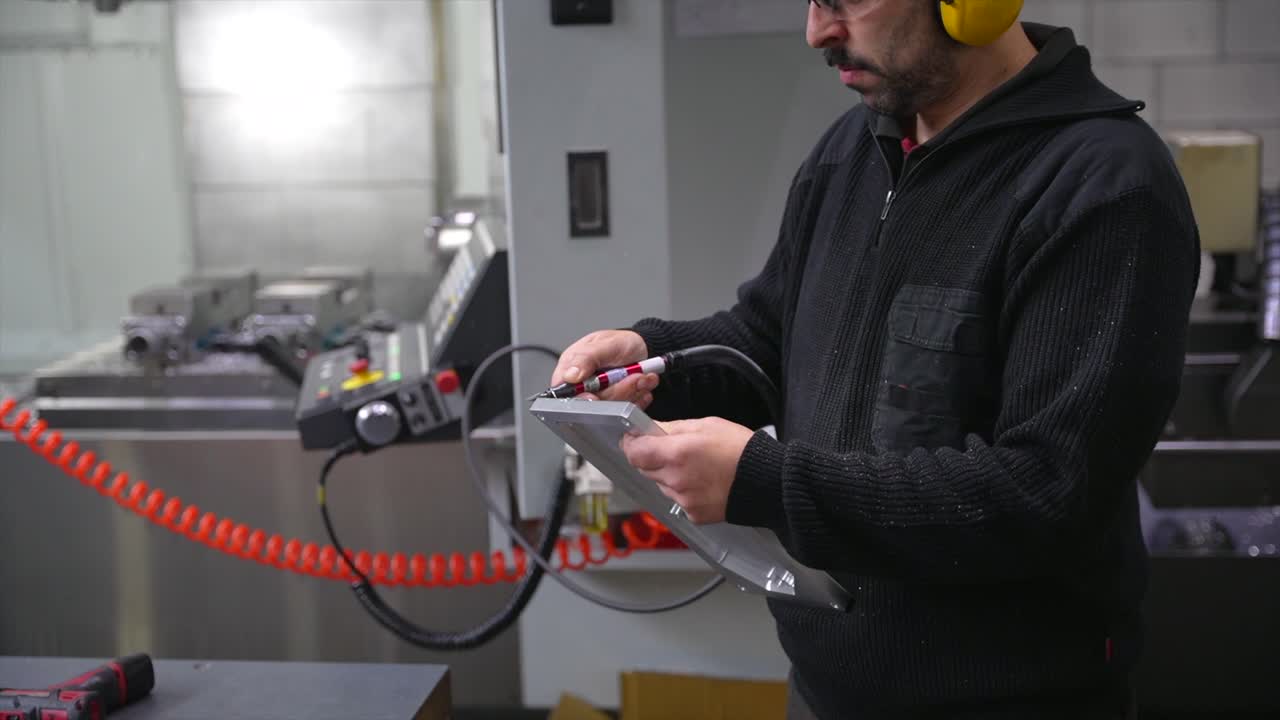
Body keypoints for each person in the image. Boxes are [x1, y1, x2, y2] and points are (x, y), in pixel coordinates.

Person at [549, 1, 1199, 717]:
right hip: (825, 693)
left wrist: (767, 483)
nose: (817, 32)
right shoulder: (851, 150)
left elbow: (1043, 492)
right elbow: (770, 335)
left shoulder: (1103, 185)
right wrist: (654, 362)